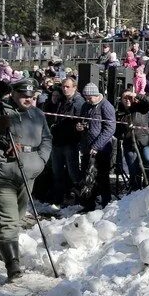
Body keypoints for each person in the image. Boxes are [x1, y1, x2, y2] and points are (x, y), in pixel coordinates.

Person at [0, 78, 53, 281]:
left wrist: (41, 161)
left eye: (32, 97)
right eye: (24, 96)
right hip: (3, 172)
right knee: (9, 220)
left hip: (29, 171)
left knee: (16, 216)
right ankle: (13, 265)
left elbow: (46, 139)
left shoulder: (38, 114)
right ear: (14, 95)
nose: (28, 100)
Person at [76, 83, 117, 211]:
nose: (88, 100)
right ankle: (89, 205)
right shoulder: (86, 105)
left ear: (96, 95)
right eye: (86, 98)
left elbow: (110, 128)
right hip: (87, 147)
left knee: (102, 177)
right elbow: (82, 120)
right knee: (87, 177)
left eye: (90, 98)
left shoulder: (106, 106)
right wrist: (80, 126)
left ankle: (106, 203)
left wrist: (97, 145)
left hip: (102, 149)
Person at [44, 77, 84, 205]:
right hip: (58, 141)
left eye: (67, 87)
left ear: (74, 87)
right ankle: (59, 198)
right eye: (63, 87)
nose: (65, 89)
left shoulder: (78, 102)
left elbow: (80, 121)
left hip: (70, 142)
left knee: (73, 172)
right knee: (57, 171)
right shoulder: (62, 100)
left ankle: (80, 198)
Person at [116, 90, 149, 190]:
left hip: (144, 143)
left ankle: (148, 188)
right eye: (124, 98)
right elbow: (116, 131)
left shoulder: (141, 108)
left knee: (148, 167)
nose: (127, 100)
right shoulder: (119, 113)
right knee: (133, 170)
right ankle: (135, 190)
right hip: (129, 145)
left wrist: (136, 95)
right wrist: (123, 132)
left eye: (129, 98)